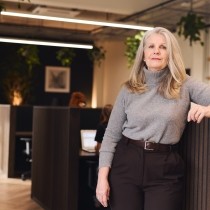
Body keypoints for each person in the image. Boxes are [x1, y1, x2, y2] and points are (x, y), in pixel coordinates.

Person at [96, 27, 210, 210]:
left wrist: (207, 110)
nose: (156, 51)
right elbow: (110, 136)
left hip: (165, 168)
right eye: (151, 46)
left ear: (170, 54)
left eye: (163, 47)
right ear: (143, 54)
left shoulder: (184, 84)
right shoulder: (128, 89)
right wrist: (102, 179)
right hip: (126, 164)